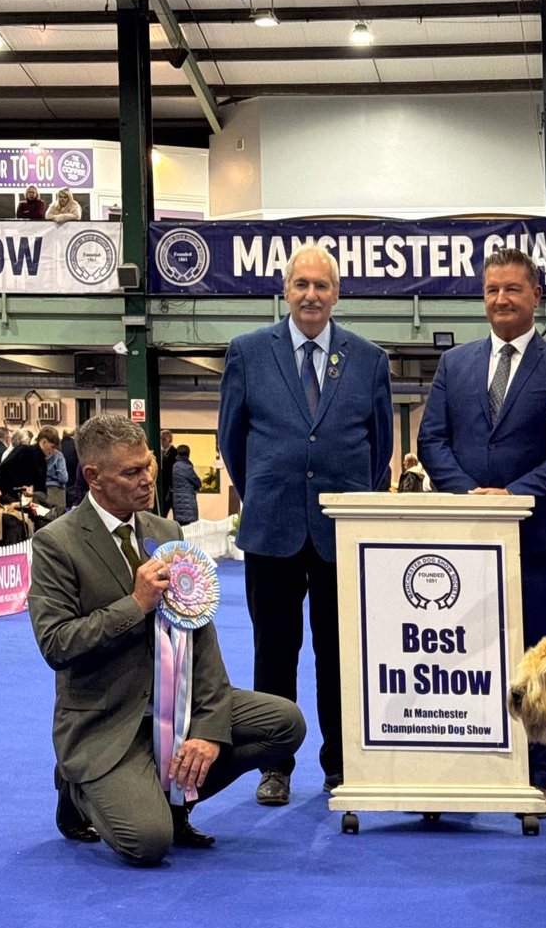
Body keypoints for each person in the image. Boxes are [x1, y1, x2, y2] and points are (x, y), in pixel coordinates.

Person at [27, 414, 306, 866]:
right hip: (108, 720)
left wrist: (209, 731)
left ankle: (177, 800)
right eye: (131, 473)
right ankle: (78, 789)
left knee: (285, 723)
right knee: (148, 844)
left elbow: (202, 637)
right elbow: (56, 645)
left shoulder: (166, 532)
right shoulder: (56, 544)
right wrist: (134, 605)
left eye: (148, 466)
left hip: (178, 705)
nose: (147, 480)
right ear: (94, 478)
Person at [418, 248, 546, 807]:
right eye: (492, 289)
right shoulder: (456, 364)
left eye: (513, 289)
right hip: (465, 537)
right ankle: (469, 755)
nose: (500, 299)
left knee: (542, 658)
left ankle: (539, 773)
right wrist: (469, 495)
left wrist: (512, 496)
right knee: (465, 649)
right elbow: (431, 441)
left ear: (536, 295)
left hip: (536, 541)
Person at [219, 244, 393, 803]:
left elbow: (381, 448)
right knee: (274, 651)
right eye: (302, 285)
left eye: (322, 286)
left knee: (339, 653)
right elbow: (231, 440)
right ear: (285, 291)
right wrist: (266, 496)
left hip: (342, 535)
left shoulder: (369, 359)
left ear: (337, 294)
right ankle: (275, 765)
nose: (311, 295)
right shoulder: (247, 352)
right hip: (272, 531)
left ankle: (341, 762)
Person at [0, 427, 50, 501]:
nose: (28, 443)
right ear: (19, 442)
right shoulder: (18, 452)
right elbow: (5, 469)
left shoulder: (33, 456)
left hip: (19, 495)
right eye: (26, 441)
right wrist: (21, 486)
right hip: (8, 494)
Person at [171, 444, 201, 525]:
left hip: (177, 501)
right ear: (188, 454)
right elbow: (197, 482)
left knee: (180, 525)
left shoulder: (174, 466)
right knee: (189, 527)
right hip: (187, 502)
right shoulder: (186, 467)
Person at [44, 435, 69, 510]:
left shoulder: (36, 455)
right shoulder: (58, 455)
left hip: (42, 492)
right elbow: (63, 478)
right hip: (57, 492)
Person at [60, 427, 80, 506]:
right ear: (74, 435)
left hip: (61, 486)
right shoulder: (76, 446)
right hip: (73, 481)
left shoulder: (59, 444)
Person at [160, 429, 177, 517]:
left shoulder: (175, 453)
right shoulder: (160, 453)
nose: (161, 442)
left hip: (170, 489)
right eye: (160, 439)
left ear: (169, 440)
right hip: (162, 488)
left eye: (163, 439)